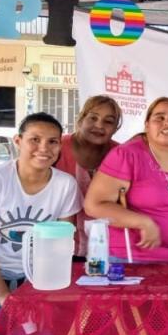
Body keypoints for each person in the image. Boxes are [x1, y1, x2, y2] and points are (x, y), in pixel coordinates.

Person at [85, 97, 168, 263]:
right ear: (147, 125)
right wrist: (143, 222)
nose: (167, 123)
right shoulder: (126, 155)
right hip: (130, 260)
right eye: (159, 118)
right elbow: (94, 205)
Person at [0, 113, 81, 317]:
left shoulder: (66, 185)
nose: (44, 148)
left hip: (39, 275)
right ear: (18, 141)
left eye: (53, 142)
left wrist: (45, 284)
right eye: (35, 140)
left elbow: (62, 245)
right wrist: (4, 296)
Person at [55, 95, 122, 258]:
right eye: (93, 118)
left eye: (108, 121)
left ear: (115, 128)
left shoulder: (121, 154)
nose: (99, 126)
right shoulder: (57, 148)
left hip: (109, 248)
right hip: (60, 245)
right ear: (80, 119)